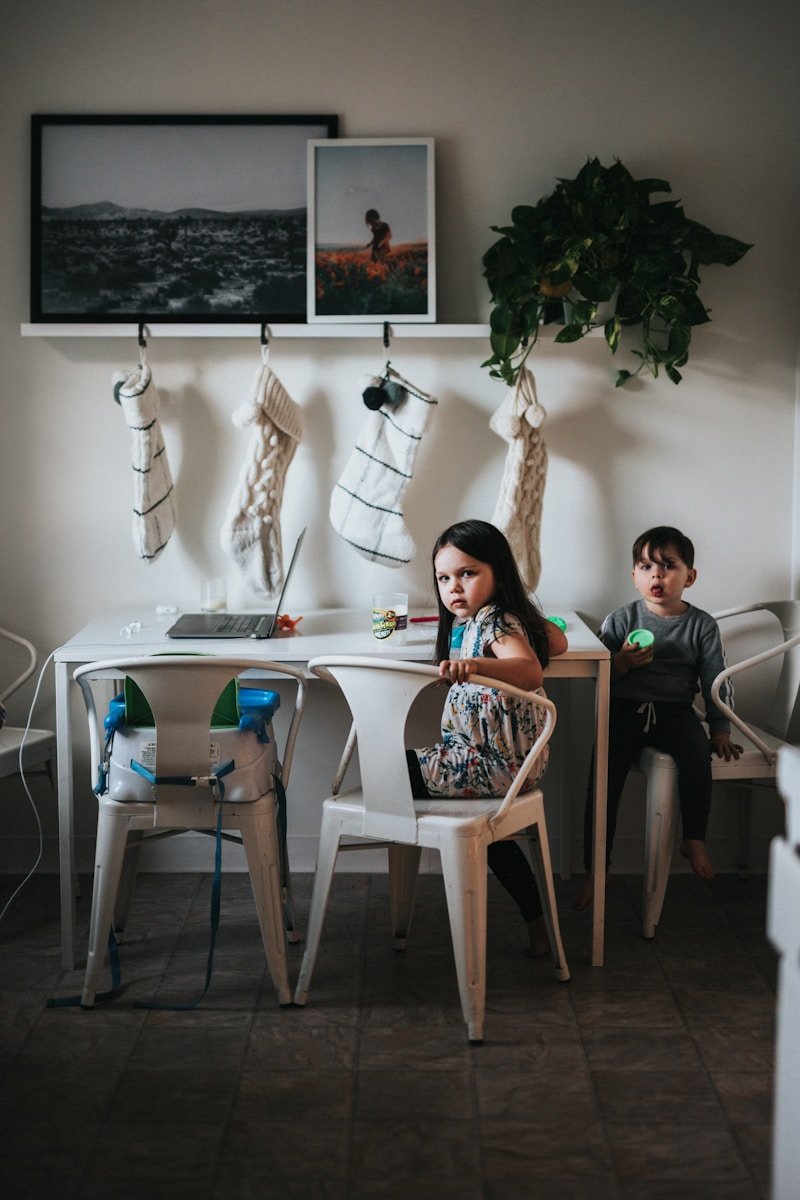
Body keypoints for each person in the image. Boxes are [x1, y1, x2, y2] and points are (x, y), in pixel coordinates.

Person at [406, 519, 568, 957]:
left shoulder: (495, 621)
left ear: (499, 572)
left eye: (467, 573)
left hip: (494, 764)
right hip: (502, 762)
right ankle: (537, 928)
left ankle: (403, 909)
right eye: (444, 578)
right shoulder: (488, 618)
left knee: (392, 770)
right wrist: (528, 622)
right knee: (492, 837)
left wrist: (476, 665)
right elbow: (558, 642)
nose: (454, 587)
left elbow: (529, 670)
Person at [574, 525, 741, 911]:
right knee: (602, 779)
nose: (657, 575)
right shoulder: (622, 619)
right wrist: (621, 663)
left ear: (689, 577)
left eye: (668, 566)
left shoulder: (701, 625)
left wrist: (720, 728)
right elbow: (597, 674)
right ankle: (596, 868)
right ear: (634, 575)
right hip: (624, 709)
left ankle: (693, 838)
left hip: (674, 711)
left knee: (697, 755)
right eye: (647, 567)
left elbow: (716, 679)